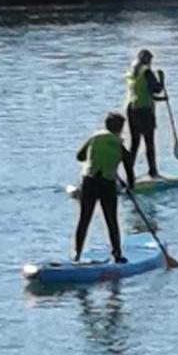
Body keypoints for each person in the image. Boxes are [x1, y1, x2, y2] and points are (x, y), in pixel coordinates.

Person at [74, 112, 135, 263]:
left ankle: (77, 254)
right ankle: (118, 254)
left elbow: (79, 156)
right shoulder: (118, 144)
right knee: (111, 220)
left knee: (84, 218)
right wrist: (130, 185)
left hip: (89, 181)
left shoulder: (95, 137)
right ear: (120, 128)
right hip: (107, 184)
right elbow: (129, 164)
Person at [124, 48, 167, 179]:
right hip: (144, 111)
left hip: (132, 108)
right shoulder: (146, 72)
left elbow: (142, 91)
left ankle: (128, 172)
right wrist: (162, 80)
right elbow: (156, 89)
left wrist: (160, 100)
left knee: (135, 142)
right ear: (148, 60)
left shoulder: (132, 73)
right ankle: (153, 172)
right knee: (149, 141)